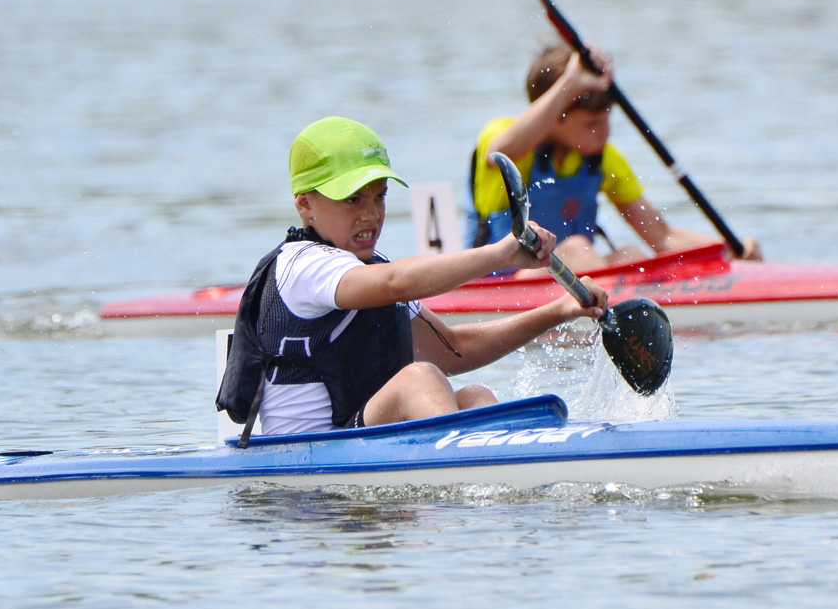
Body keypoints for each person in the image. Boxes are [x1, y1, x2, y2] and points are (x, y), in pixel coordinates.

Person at [216, 116, 609, 437]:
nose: (370, 214)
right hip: (303, 459)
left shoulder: (371, 264)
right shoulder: (302, 265)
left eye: (379, 196)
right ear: (305, 204)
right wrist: (500, 253)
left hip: (355, 438)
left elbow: (454, 349)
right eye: (353, 199)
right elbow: (396, 283)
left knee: (473, 396)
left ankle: (499, 495)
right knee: (419, 379)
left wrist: (558, 310)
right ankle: (462, 485)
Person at [467, 44, 762, 275]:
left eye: (607, 119)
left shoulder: (603, 159)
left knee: (630, 255)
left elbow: (662, 236)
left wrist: (727, 251)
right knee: (577, 249)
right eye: (592, 124)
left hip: (571, 279)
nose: (605, 133)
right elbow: (501, 153)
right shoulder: (505, 135)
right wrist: (570, 82)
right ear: (553, 118)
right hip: (501, 282)